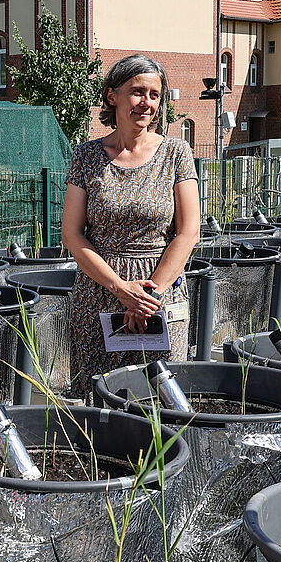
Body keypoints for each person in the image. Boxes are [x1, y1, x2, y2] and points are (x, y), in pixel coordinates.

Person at [61, 54, 199, 399]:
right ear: (112, 96)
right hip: (100, 292)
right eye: (138, 92)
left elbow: (189, 231)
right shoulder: (87, 156)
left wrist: (148, 298)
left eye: (154, 95)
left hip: (161, 290)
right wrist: (121, 289)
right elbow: (72, 234)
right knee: (99, 398)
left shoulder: (176, 153)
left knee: (161, 395)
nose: (147, 103)